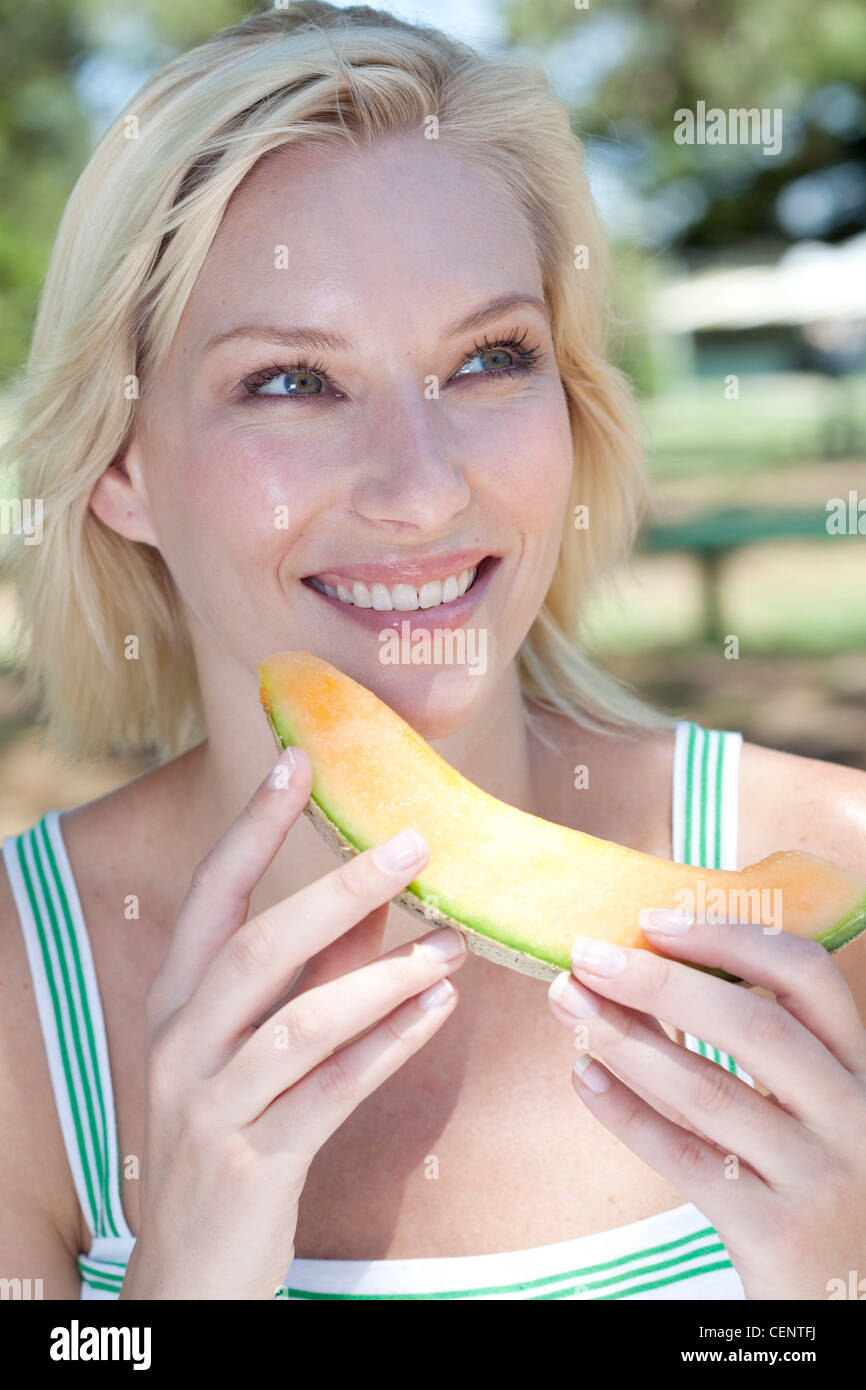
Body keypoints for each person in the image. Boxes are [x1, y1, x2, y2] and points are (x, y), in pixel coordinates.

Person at [1, 2, 865, 1302]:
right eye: (292, 379)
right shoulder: (17, 993)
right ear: (121, 468)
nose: (420, 488)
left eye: (488, 358)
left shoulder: (842, 879)